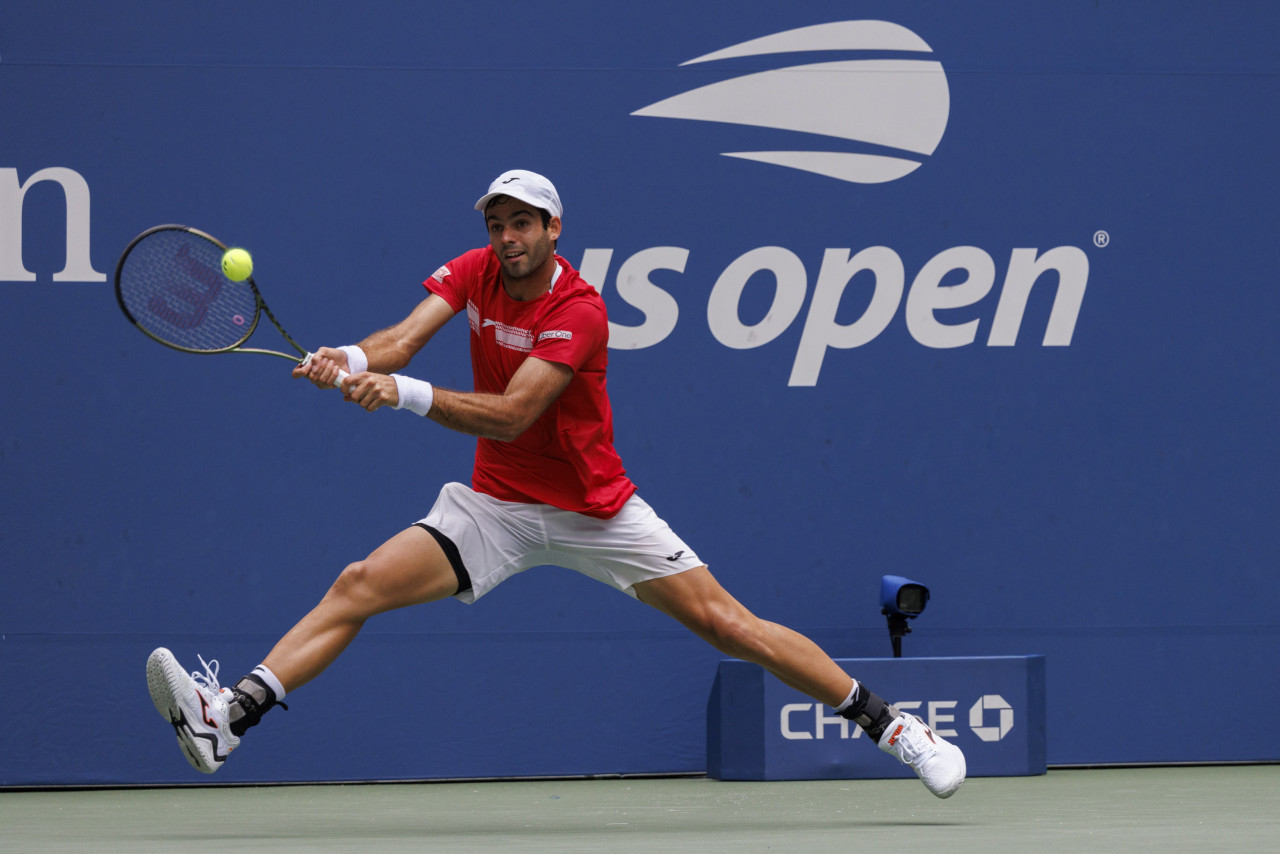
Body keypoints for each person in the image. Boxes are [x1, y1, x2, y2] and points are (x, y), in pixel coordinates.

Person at [145, 169, 966, 798]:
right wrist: (353, 362)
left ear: (552, 229)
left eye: (521, 225)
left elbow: (511, 414)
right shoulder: (472, 272)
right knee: (359, 583)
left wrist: (400, 394)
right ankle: (228, 721)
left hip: (594, 510)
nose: (506, 238)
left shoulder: (580, 310)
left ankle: (896, 729)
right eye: (497, 225)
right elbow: (401, 338)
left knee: (732, 626)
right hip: (496, 508)